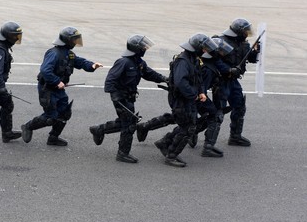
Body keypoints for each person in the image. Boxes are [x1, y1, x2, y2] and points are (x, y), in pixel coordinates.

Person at [89, 35, 168, 163]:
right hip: (121, 98)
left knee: (124, 122)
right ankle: (122, 153)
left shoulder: (139, 62)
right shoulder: (123, 62)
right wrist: (115, 96)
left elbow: (149, 73)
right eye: (143, 47)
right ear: (136, 48)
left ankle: (99, 129)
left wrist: (164, 78)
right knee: (129, 124)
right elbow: (110, 80)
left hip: (130, 97)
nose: (145, 49)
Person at [21, 26, 102, 146]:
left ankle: (53, 138)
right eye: (74, 39)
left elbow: (79, 61)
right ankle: (28, 126)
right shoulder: (53, 53)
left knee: (64, 113)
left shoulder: (69, 54)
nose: (75, 42)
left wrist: (92, 65)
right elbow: (45, 70)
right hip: (47, 89)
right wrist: (56, 81)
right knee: (50, 117)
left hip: (59, 89)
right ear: (67, 40)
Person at [154, 33, 218, 167]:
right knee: (188, 128)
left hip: (188, 98)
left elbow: (199, 78)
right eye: (204, 48)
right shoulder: (183, 61)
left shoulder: (194, 59)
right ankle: (171, 156)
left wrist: (201, 92)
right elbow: (180, 82)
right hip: (180, 99)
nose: (206, 51)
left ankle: (164, 142)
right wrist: (194, 94)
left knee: (187, 125)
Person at [218, 18, 260, 146]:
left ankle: (235, 137)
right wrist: (228, 69)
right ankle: (205, 141)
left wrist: (257, 51)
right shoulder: (222, 42)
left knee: (239, 106)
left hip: (233, 81)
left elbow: (251, 58)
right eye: (246, 31)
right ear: (239, 31)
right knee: (217, 112)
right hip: (221, 81)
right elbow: (215, 61)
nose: (247, 33)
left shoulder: (243, 44)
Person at [193, 37, 234, 157]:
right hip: (196, 97)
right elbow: (201, 89)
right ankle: (207, 148)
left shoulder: (209, 63)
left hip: (194, 96)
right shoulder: (208, 69)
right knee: (215, 116)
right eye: (220, 51)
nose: (222, 53)